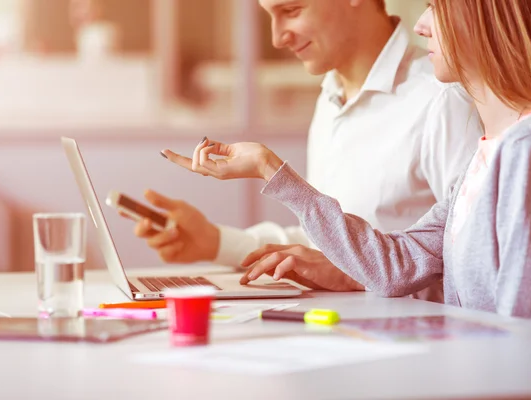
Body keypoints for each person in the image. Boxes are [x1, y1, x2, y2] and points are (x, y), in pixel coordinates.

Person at [165, 0, 531, 324]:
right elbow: (397, 265)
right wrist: (271, 170)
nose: (420, 25)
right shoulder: (486, 153)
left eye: (435, 6)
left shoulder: (525, 142)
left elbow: (525, 327)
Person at [135, 0, 481, 298]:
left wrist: (358, 275)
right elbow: (324, 242)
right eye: (270, 15)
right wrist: (214, 241)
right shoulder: (330, 97)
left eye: (292, 10)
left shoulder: (441, 99)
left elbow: (472, 270)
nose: (277, 37)